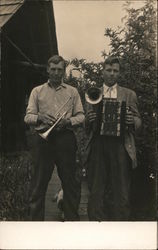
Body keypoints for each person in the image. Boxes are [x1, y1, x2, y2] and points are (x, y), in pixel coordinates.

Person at [24, 55, 85, 221]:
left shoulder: (72, 92)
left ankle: (72, 222)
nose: (57, 73)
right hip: (43, 140)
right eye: (53, 69)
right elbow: (28, 117)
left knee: (70, 184)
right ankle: (36, 226)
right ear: (47, 70)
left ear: (64, 71)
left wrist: (68, 121)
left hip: (65, 138)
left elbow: (81, 116)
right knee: (38, 184)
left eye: (60, 70)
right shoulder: (37, 91)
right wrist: (41, 117)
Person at [85, 56, 142, 221]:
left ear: (119, 73)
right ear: (102, 72)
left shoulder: (129, 94)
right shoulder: (93, 93)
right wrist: (89, 120)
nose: (112, 74)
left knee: (122, 192)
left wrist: (133, 121)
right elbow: (86, 127)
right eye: (108, 70)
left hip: (120, 145)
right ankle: (95, 229)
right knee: (96, 191)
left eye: (115, 71)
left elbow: (139, 122)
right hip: (98, 145)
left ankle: (120, 229)